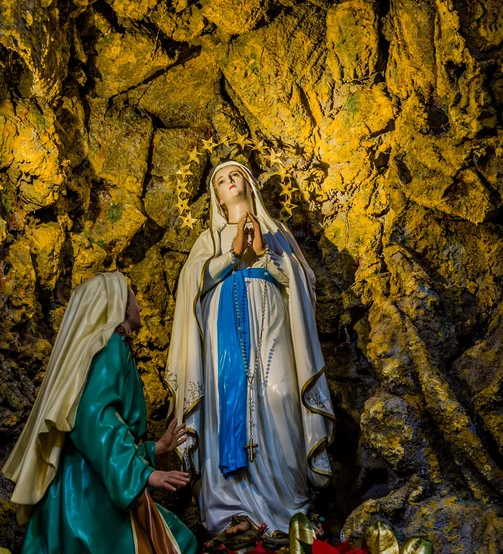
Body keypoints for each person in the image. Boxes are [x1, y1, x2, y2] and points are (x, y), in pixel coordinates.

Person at [165, 161, 335, 537]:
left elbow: (300, 283)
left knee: (281, 394)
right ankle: (234, 510)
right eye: (221, 180)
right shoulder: (209, 237)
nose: (229, 182)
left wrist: (263, 254)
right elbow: (192, 283)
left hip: (271, 323)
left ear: (249, 184)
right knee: (227, 406)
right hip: (224, 334)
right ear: (216, 196)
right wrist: (231, 254)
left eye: (235, 175)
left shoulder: (276, 231)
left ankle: (289, 506)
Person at [2, 271, 197, 554]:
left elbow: (102, 433)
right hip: (90, 499)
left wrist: (156, 448)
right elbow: (96, 420)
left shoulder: (104, 350)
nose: (139, 304)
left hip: (78, 490)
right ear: (115, 302)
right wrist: (141, 475)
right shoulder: (109, 348)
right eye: (131, 295)